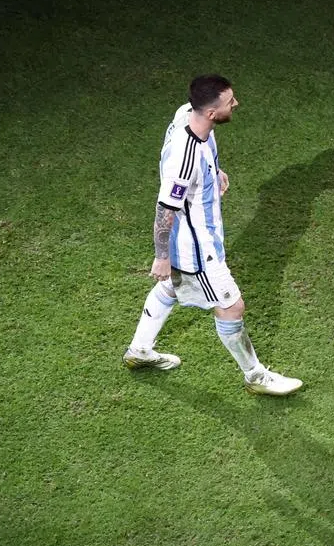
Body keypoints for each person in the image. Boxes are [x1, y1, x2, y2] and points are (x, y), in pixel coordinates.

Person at [123, 75, 303, 396]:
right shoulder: (185, 159)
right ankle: (255, 376)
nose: (236, 104)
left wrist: (214, 170)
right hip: (198, 251)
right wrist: (162, 257)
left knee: (171, 288)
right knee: (232, 306)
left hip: (193, 240)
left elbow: (203, 149)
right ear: (210, 113)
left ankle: (139, 350)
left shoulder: (187, 114)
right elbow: (165, 208)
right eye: (230, 102)